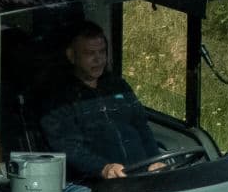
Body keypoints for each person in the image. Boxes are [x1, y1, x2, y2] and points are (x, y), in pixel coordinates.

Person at [37, 24, 175, 181]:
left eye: (102, 52)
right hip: (91, 182)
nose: (98, 59)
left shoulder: (118, 86)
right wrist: (103, 168)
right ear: (71, 55)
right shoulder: (58, 98)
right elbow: (67, 147)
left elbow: (142, 127)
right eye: (90, 53)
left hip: (140, 173)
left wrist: (156, 160)